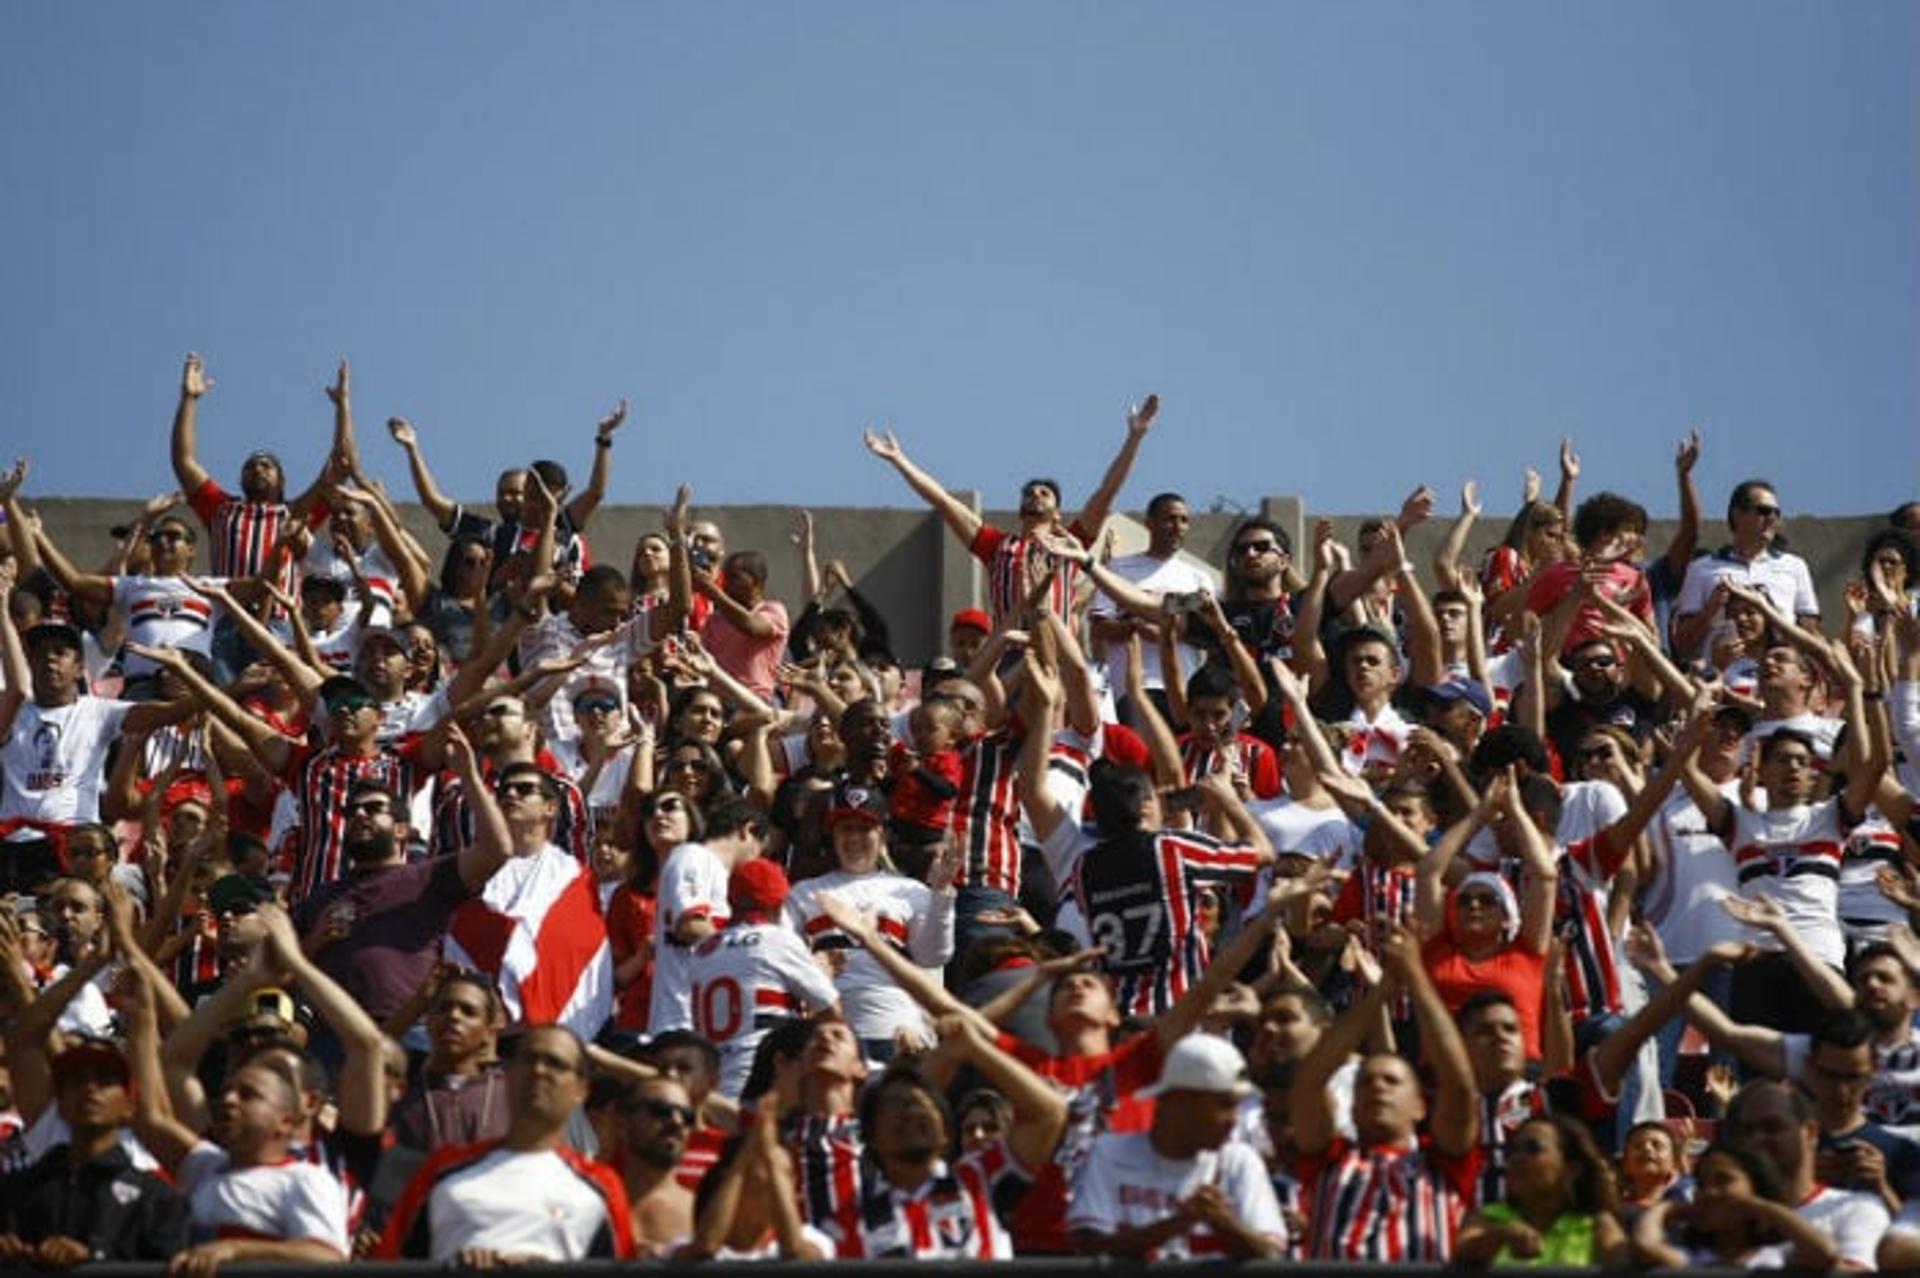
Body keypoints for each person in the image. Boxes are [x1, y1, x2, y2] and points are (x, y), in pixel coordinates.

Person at [863, 400, 1158, 625]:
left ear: (1057, 513)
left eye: (1044, 494)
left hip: (1057, 653)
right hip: (1010, 651)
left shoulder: (1072, 543)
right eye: (1029, 493)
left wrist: (1135, 438)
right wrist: (898, 459)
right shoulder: (996, 545)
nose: (1034, 496)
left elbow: (1108, 491)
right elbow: (941, 500)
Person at [1291, 926, 1481, 1262]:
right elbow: (1309, 1082)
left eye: (1392, 1082)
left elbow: (1460, 1086)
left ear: (1421, 1106)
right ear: (1350, 1106)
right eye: (1366, 1082)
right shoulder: (1329, 1159)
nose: (1377, 1086)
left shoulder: (1442, 1165)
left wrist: (1415, 975)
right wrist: (1382, 991)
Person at [378, 1025, 634, 1264]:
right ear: (508, 1076)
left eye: (555, 1064)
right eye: (529, 1059)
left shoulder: (601, 1189)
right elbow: (389, 1262)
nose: (539, 1070)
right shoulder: (443, 1171)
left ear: (581, 1091)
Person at [1068, 1035, 1288, 1259]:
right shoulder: (1110, 1152)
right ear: (1179, 1100)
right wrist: (1180, 1223)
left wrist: (1223, 1222)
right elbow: (1090, 1248)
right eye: (1224, 1105)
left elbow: (1272, 1258)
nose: (1233, 1119)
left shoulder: (1240, 1160)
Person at [784, 785, 958, 1057]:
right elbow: (786, 964)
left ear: (883, 835)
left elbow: (933, 956)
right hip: (830, 1037)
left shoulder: (912, 892)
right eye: (846, 828)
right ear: (832, 835)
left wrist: (941, 894)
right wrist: (813, 965)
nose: (854, 837)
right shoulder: (803, 893)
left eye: (864, 828)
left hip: (898, 1032)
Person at [0, 1037, 189, 1268]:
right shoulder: (18, 1189)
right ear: (59, 1104)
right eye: (77, 1081)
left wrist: (95, 1260)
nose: (90, 1089)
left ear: (129, 1105)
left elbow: (171, 1267)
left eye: (104, 1080)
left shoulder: (157, 1199)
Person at [685, 859, 840, 1097]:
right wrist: (825, 974)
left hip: (711, 1087)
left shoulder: (703, 950)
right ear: (777, 904)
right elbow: (832, 1012)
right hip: (761, 1082)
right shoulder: (776, 939)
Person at [1719, 1078, 1889, 1270]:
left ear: (1810, 1132)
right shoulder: (1725, 1213)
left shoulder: (1856, 1208)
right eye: (1747, 1131)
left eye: (1772, 1127)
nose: (1757, 1139)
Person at [1087, 491, 1218, 724]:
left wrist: (1170, 631)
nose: (1178, 526)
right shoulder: (1118, 570)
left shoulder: (1199, 578)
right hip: (1133, 689)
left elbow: (1210, 636)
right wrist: (1135, 627)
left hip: (1183, 690)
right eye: (1170, 519)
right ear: (1149, 523)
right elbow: (1099, 629)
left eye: (1184, 520)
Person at [648, 796, 767, 1035]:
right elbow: (691, 926)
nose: (758, 859)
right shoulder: (693, 856)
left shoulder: (722, 875)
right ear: (747, 831)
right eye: (760, 849)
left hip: (708, 1021)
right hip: (679, 1023)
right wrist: (757, 956)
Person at [1631, 1140, 1839, 1271]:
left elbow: (1825, 1252)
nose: (1710, 1192)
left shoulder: (1779, 1257)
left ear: (1755, 1185)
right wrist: (1670, 1208)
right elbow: (1646, 1246)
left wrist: (1757, 1206)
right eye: (1702, 1185)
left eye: (1724, 1180)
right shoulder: (1693, 1261)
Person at [1673, 478, 1822, 659]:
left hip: (1776, 679)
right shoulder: (1700, 568)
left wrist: (1771, 619)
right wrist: (1711, 610)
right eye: (1764, 511)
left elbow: (1811, 637)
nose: (1772, 518)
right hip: (1720, 679)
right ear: (1737, 515)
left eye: (1777, 513)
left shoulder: (1795, 566)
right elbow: (1682, 645)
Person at [1455, 1113, 1627, 1267]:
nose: (1516, 1158)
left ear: (1571, 1169)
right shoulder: (1488, 1217)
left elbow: (1627, 1264)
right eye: (1512, 1151)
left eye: (1533, 1148)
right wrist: (1501, 1235)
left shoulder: (1596, 1225)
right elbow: (1463, 1252)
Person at [618, 1074, 697, 1256]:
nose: (676, 1122)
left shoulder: (703, 1216)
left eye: (687, 1116)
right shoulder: (590, 1203)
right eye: (661, 1110)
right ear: (622, 1124)